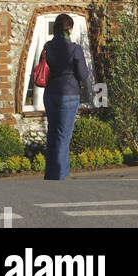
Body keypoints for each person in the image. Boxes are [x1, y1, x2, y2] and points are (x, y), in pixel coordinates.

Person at [42, 13, 89, 180]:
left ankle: (51, 175)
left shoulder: (47, 46)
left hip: (50, 94)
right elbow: (83, 75)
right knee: (63, 137)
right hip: (68, 94)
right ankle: (59, 178)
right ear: (68, 29)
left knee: (53, 135)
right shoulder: (74, 49)